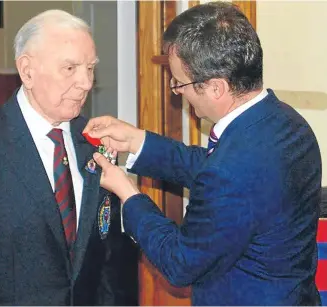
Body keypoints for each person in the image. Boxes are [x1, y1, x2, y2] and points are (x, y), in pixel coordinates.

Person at [83, 2, 322, 305]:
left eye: (180, 83)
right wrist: (137, 140)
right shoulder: (289, 124)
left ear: (216, 88)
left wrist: (128, 193)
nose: (177, 91)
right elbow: (211, 166)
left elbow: (180, 263)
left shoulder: (230, 171)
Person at [0, 10, 138, 306]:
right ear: (27, 71)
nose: (87, 82)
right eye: (70, 68)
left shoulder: (95, 144)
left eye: (90, 68)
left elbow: (110, 264)